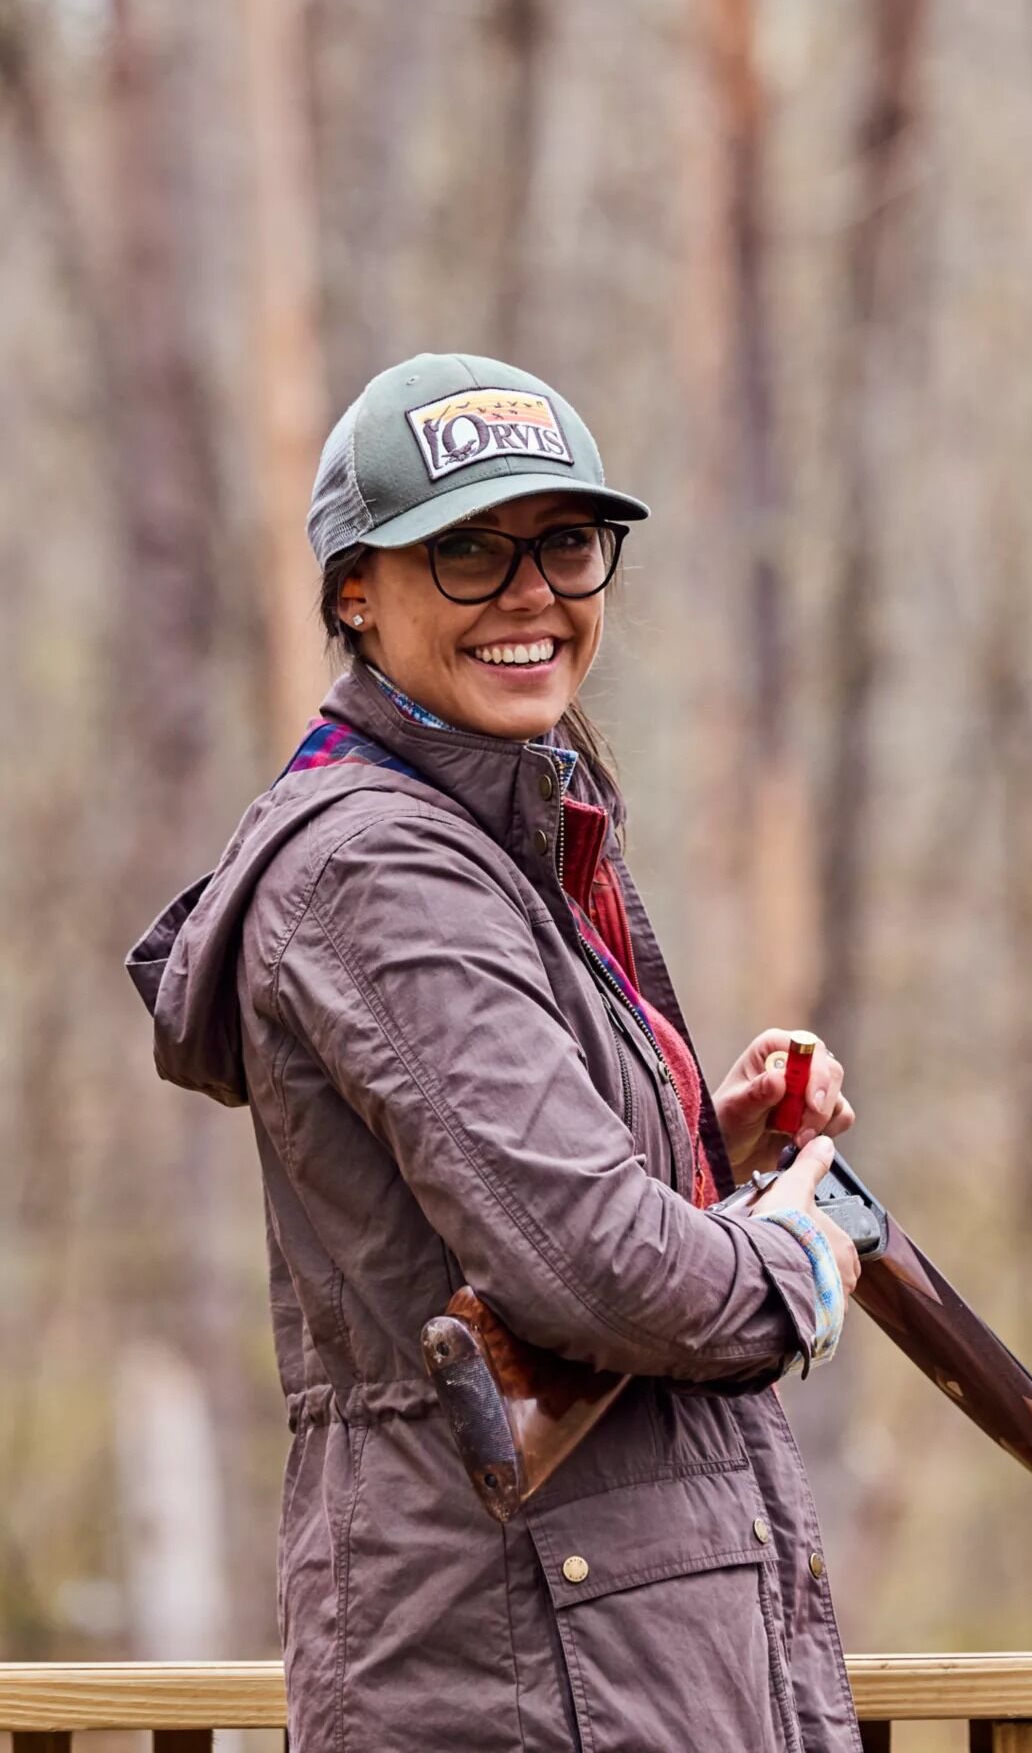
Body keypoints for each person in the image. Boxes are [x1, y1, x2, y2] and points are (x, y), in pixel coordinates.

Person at [127, 352, 865, 1752]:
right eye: (463, 554)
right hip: (523, 1673)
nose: (530, 594)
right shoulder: (380, 868)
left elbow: (514, 1195)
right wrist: (802, 1264)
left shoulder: (487, 839)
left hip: (595, 1655)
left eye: (566, 546)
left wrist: (708, 1134)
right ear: (356, 590)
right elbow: (589, 1262)